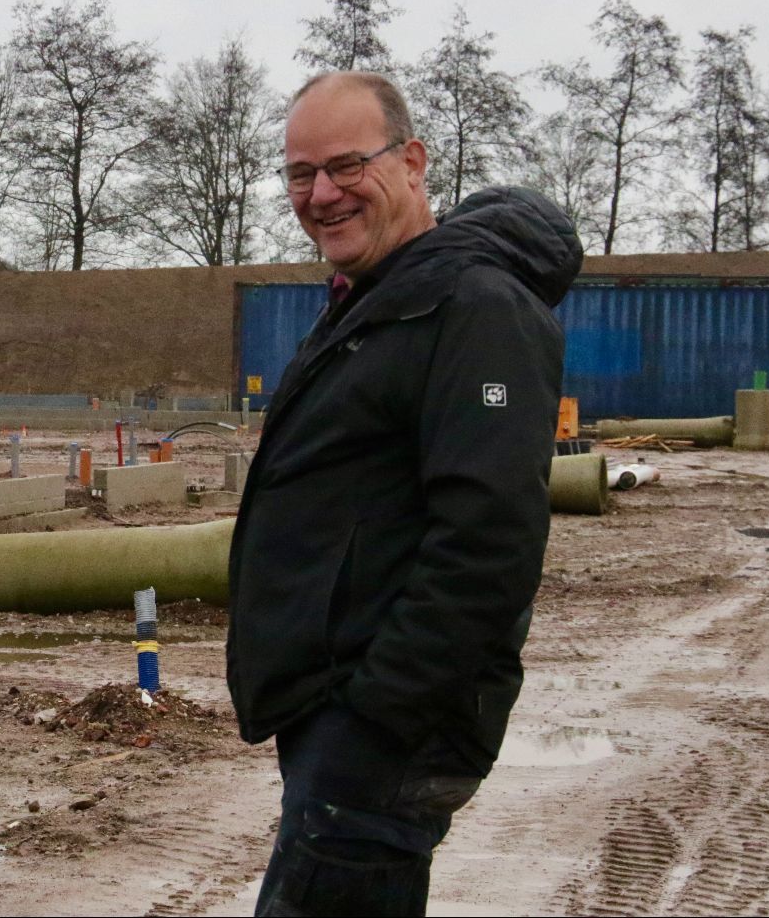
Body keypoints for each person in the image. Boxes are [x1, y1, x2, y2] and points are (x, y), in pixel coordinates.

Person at [226, 72, 583, 916]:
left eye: (347, 165)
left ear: (414, 162)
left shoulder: (473, 307)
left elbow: (489, 542)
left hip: (383, 731)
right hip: (344, 716)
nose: (322, 194)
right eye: (300, 174)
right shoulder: (380, 299)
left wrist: (377, 715)